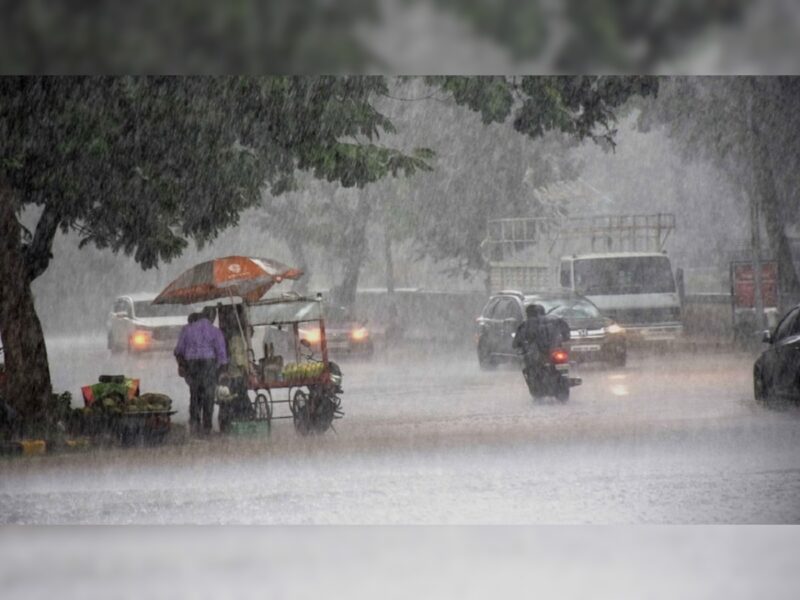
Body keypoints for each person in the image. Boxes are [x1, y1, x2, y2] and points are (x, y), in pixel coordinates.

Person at [174, 306, 228, 435]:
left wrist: (182, 365)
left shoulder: (187, 329)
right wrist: (221, 370)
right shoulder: (215, 331)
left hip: (191, 365)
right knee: (209, 396)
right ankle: (207, 427)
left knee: (194, 394)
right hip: (209, 364)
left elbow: (178, 351)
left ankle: (194, 424)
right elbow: (221, 354)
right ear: (212, 317)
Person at [512, 304, 570, 375]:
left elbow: (516, 342)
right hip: (554, 349)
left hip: (537, 353)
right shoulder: (556, 320)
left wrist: (519, 344)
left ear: (528, 314)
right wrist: (562, 339)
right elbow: (566, 334)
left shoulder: (526, 324)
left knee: (529, 363)